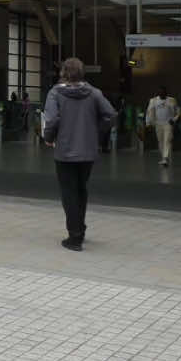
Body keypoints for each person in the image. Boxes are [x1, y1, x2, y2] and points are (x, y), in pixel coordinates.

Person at [42, 56, 117, 252]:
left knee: (69, 192)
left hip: (65, 152)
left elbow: (51, 120)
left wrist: (48, 137)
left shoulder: (55, 93)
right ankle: (80, 229)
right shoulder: (94, 93)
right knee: (81, 189)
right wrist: (95, 132)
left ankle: (74, 237)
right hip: (87, 151)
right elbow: (111, 114)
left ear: (63, 73)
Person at [145, 86, 180, 167]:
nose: (162, 93)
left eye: (164, 92)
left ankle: (165, 158)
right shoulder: (153, 101)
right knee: (160, 141)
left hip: (168, 123)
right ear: (158, 93)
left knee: (167, 140)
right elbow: (148, 112)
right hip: (158, 123)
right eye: (160, 92)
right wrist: (148, 124)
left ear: (166, 93)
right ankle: (163, 158)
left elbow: (178, 111)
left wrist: (174, 119)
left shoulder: (172, 100)